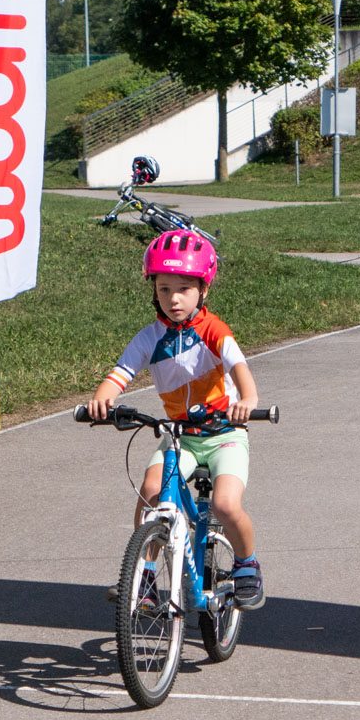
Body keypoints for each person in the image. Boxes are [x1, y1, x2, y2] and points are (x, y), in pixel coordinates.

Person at [85, 229, 264, 609]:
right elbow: (119, 374)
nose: (173, 298)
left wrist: (248, 399)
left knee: (225, 505)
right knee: (151, 492)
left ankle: (247, 565)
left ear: (203, 290)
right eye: (164, 289)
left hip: (224, 434)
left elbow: (239, 367)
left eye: (184, 289)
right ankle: (145, 576)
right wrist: (102, 400)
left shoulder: (214, 330)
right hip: (179, 436)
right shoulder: (149, 338)